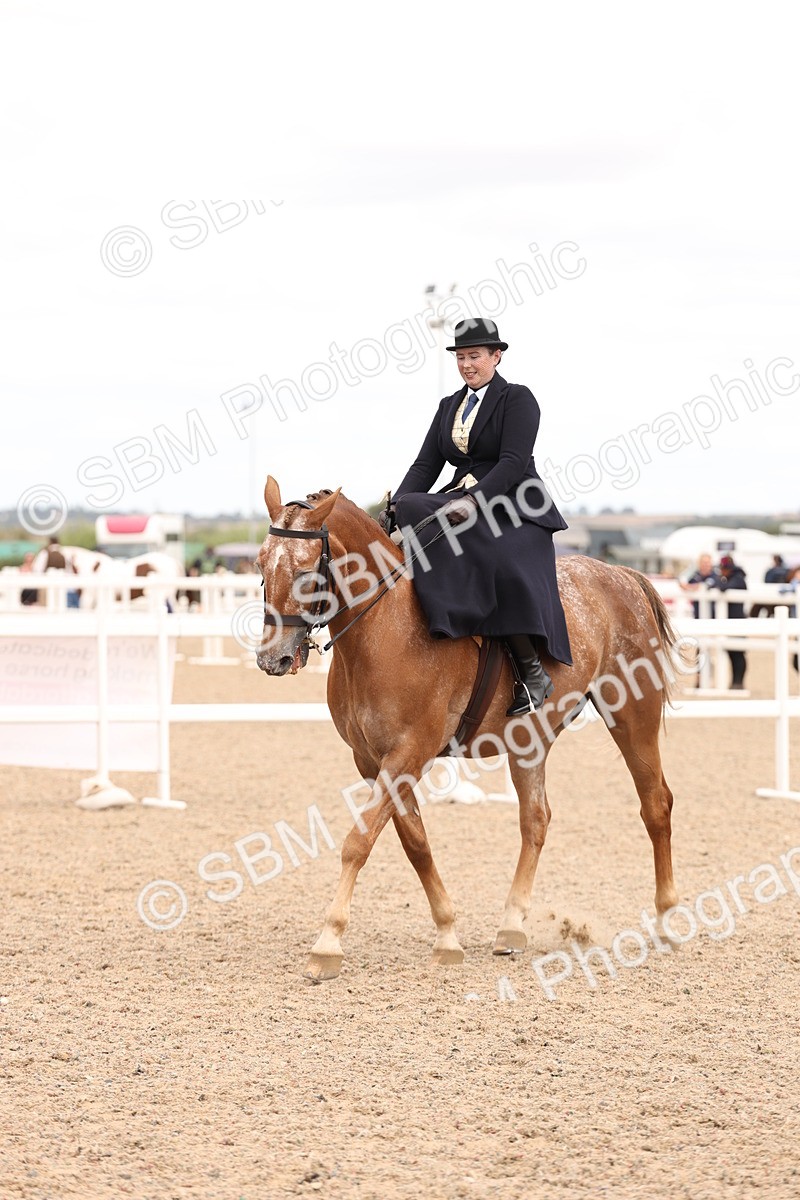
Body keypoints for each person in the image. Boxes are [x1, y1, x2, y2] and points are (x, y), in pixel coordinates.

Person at [379, 317, 571, 716]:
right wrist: (395, 506)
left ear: (495, 356)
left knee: (498, 560)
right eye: (461, 357)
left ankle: (531, 672)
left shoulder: (518, 399)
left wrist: (474, 501)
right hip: (459, 501)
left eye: (475, 356)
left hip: (514, 505)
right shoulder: (449, 406)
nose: (467, 364)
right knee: (416, 506)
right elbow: (425, 465)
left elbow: (512, 463)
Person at [715, 554, 748, 689]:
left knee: (738, 654)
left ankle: (738, 682)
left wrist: (718, 581)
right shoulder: (733, 578)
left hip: (737, 621)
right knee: (732, 653)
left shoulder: (738, 579)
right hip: (730, 621)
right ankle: (736, 682)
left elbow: (723, 588)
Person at [679, 553, 719, 618]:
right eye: (703, 562)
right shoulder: (695, 575)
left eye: (707, 562)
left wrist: (692, 587)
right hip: (697, 613)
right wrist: (691, 587)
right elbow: (682, 584)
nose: (705, 565)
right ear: (699, 564)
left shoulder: (716, 576)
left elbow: (704, 586)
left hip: (713, 615)